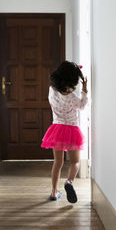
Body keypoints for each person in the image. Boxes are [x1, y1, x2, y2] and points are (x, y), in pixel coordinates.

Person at [41, 61, 88, 203]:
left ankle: (54, 193)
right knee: (75, 162)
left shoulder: (52, 91)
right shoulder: (72, 97)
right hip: (72, 129)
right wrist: (84, 91)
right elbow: (82, 106)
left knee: (58, 162)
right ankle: (69, 182)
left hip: (57, 129)